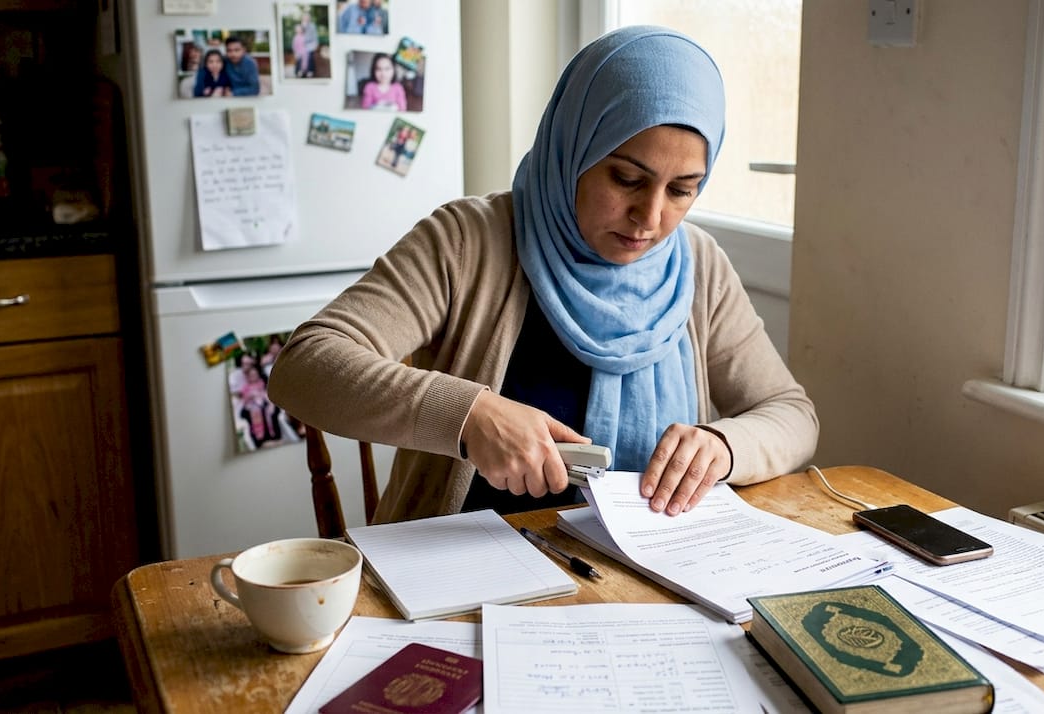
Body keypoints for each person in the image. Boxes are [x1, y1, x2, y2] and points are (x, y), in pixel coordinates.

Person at [268, 26, 818, 524]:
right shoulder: (467, 241)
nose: (651, 219)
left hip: (639, 583)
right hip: (459, 572)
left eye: (681, 190)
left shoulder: (697, 264)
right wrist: (469, 415)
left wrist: (723, 446)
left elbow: (792, 415)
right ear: (572, 148)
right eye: (626, 178)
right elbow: (307, 363)